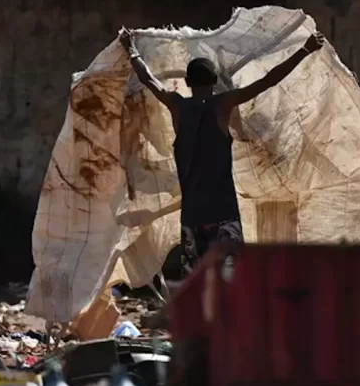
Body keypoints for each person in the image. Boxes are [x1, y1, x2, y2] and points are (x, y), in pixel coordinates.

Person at [118, 27, 326, 275]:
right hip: (223, 214)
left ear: (187, 83)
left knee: (197, 286)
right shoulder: (223, 105)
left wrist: (131, 50)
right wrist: (304, 50)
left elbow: (148, 80)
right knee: (231, 285)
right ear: (215, 82)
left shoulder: (177, 106)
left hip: (193, 217)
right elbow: (267, 81)